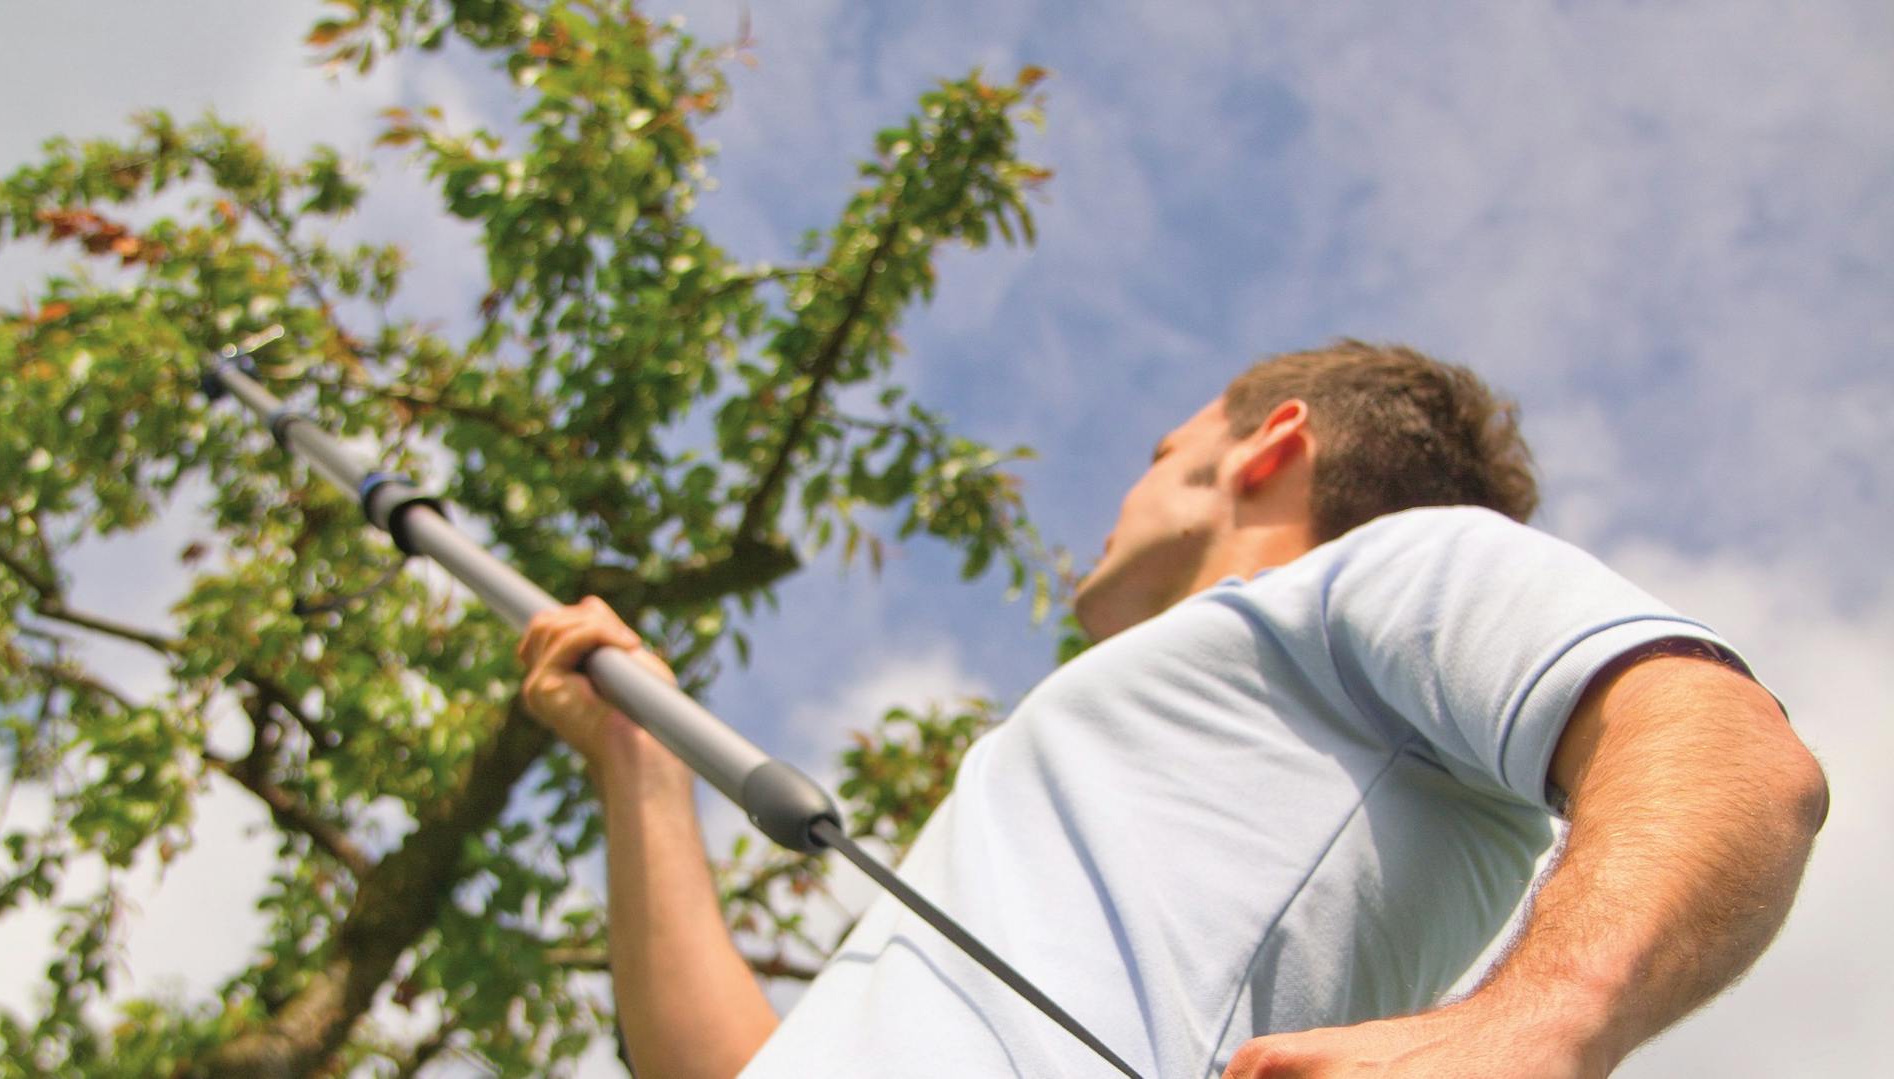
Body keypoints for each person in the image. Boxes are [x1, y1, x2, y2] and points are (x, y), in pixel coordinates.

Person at [517, 340, 1827, 1078]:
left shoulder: (1398, 565)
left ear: (1266, 450)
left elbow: (1726, 749)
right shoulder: (1100, 783)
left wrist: (1536, 1025)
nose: (1122, 498)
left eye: (1156, 457)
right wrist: (640, 763)